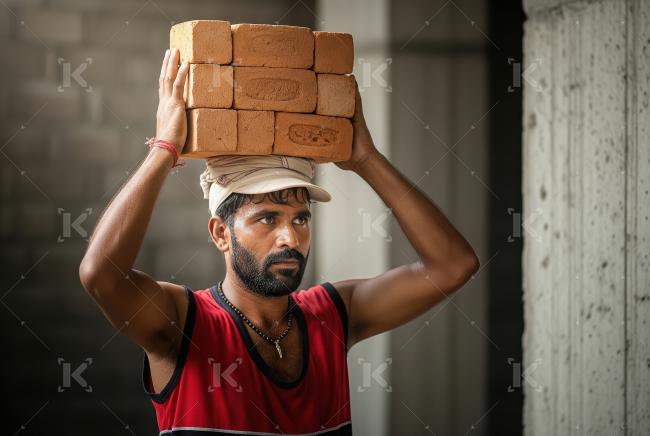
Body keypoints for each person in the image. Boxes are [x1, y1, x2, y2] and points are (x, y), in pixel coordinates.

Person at [79, 48, 479, 435]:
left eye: (300, 218)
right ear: (221, 233)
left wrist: (366, 160)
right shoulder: (182, 324)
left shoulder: (334, 316)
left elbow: (453, 265)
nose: (291, 237)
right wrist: (164, 149)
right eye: (267, 219)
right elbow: (101, 276)